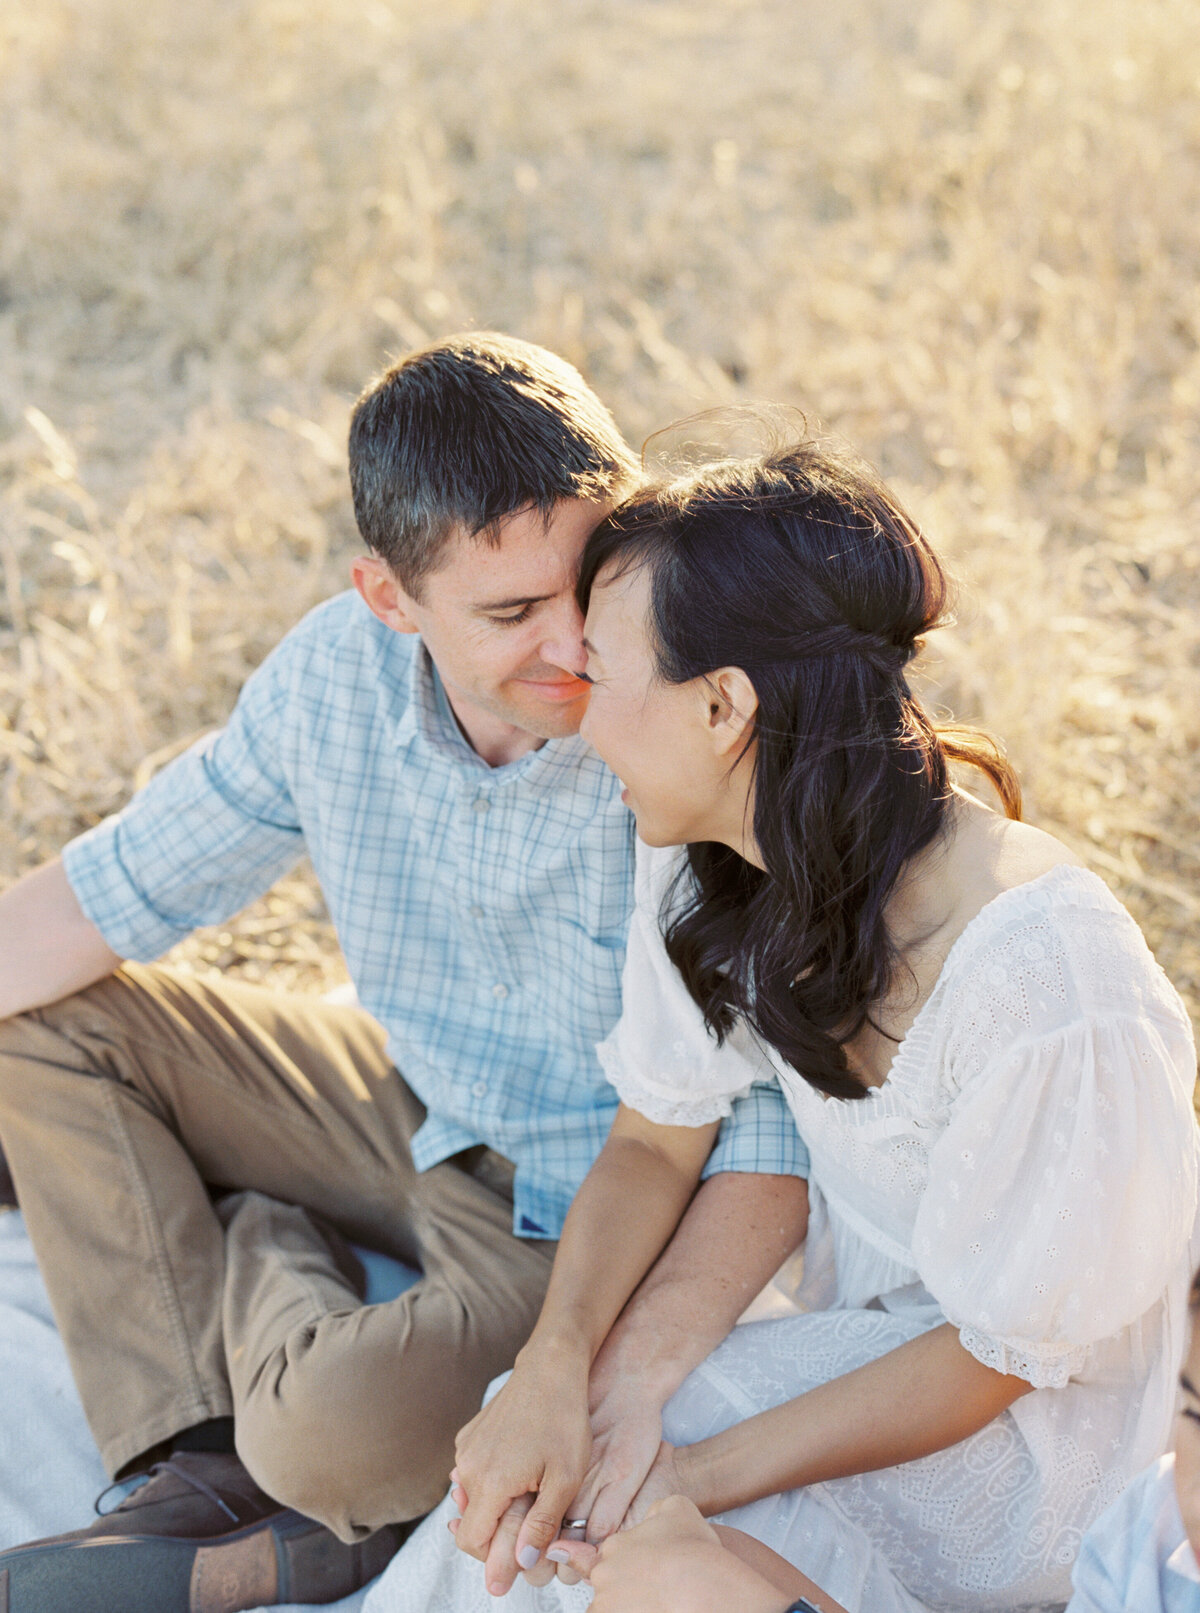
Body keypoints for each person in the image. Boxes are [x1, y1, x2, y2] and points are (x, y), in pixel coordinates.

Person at [0, 340, 812, 1613]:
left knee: (322, 1431)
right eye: (507, 614)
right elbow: (118, 888)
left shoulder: (677, 710)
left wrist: (604, 1365)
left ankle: (253, 1235)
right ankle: (187, 1459)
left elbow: (768, 1129)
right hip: (412, 1099)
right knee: (40, 1024)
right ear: (390, 596)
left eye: (584, 583)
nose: (572, 646)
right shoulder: (335, 673)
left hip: (594, 1204)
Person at [368, 434, 1199, 1612]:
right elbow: (657, 1137)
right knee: (567, 1428)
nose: (577, 713)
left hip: (1034, 1428)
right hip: (862, 1324)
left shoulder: (1047, 984)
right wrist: (554, 1367)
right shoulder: (707, 856)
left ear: (722, 707)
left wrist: (692, 1472)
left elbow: (996, 1356)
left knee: (625, 1511)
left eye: (602, 671)